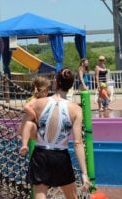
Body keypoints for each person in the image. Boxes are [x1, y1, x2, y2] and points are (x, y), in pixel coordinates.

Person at [23, 68, 90, 198]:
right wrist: (84, 173)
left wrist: (35, 136)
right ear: (71, 86)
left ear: (55, 83)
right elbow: (77, 143)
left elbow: (23, 128)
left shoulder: (38, 103)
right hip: (60, 156)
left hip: (40, 154)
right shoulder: (76, 109)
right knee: (72, 196)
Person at [19, 75, 51, 155]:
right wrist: (33, 115)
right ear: (44, 90)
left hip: (43, 131)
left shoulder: (46, 100)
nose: (48, 92)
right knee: (29, 124)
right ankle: (24, 145)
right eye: (47, 90)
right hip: (35, 130)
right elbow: (26, 107)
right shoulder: (35, 99)